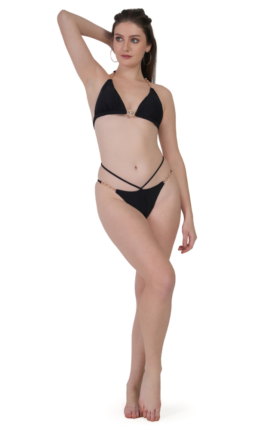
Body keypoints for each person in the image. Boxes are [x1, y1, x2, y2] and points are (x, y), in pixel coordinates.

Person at [57, 8, 197, 422]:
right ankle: (155, 370)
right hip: (114, 195)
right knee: (163, 278)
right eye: (120, 39)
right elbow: (65, 18)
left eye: (135, 40)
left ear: (149, 46)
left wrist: (189, 214)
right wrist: (108, 37)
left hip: (163, 192)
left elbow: (174, 154)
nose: (125, 46)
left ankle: (134, 381)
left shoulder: (162, 95)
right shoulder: (96, 80)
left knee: (150, 288)